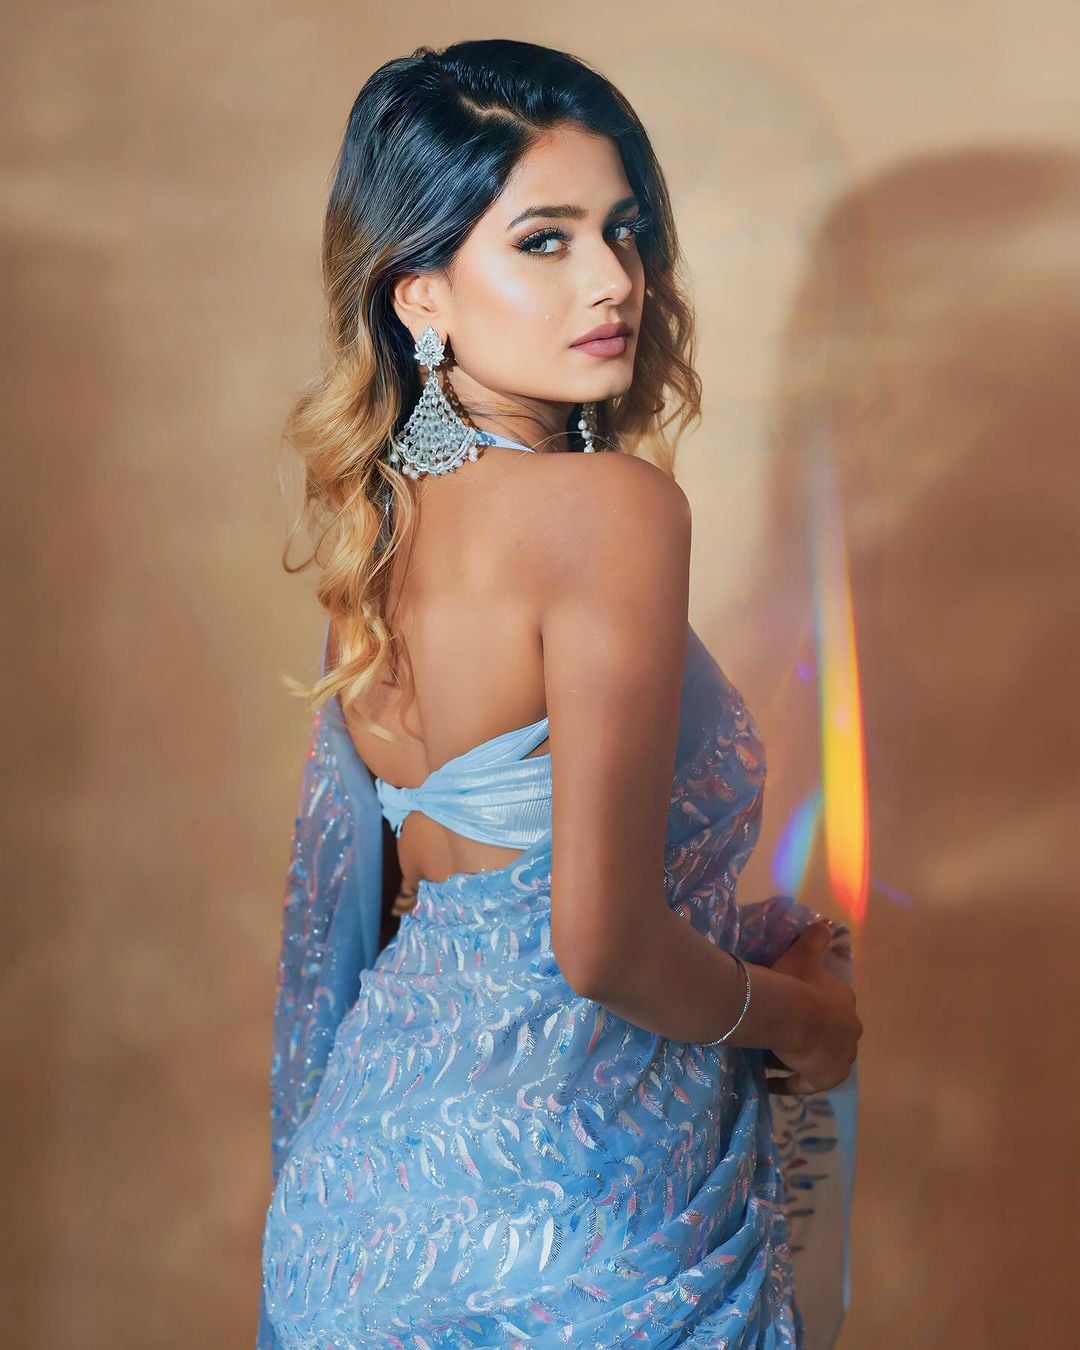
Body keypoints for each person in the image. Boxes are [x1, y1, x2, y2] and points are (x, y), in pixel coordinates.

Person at [258, 38, 861, 1349]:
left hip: (351, 1220)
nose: (613, 280)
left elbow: (432, 907)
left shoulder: (377, 530)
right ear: (421, 294)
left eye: (622, 230)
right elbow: (599, 945)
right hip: (569, 1235)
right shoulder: (609, 511)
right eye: (544, 240)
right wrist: (807, 1023)